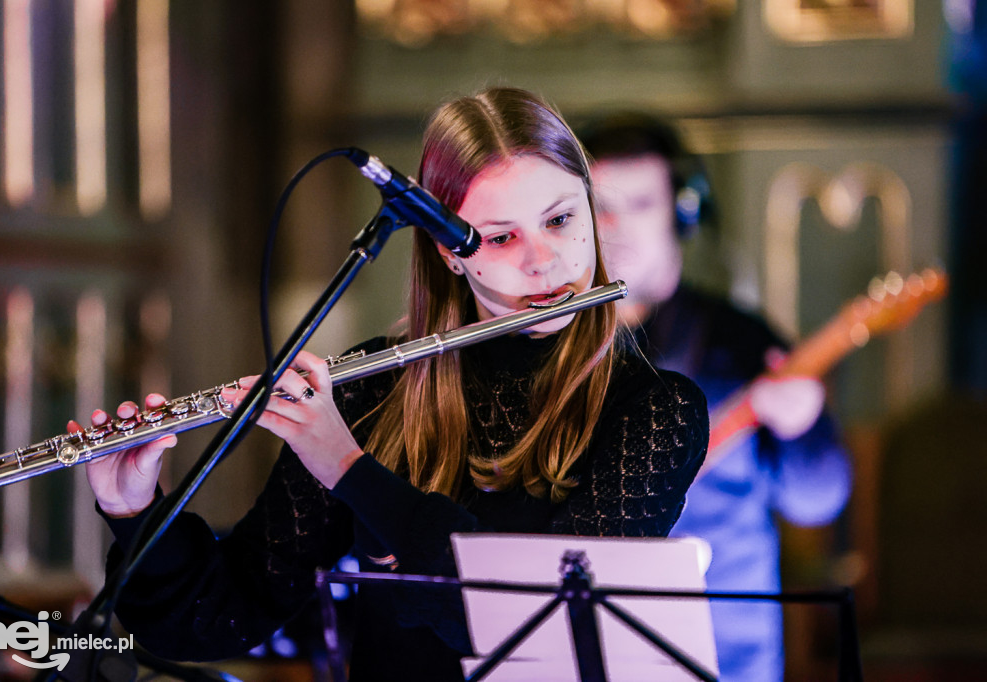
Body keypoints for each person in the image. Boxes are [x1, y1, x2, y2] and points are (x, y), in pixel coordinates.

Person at [70, 88, 710, 681]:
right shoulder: (372, 391)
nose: (542, 259)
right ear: (449, 251)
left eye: (562, 219)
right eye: (500, 236)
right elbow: (215, 619)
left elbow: (536, 633)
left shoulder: (655, 411)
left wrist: (345, 465)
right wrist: (135, 509)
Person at [580, 113, 852, 682]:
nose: (616, 226)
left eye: (641, 204)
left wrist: (802, 427)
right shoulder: (553, 346)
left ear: (683, 212)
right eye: (599, 206)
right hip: (585, 644)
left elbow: (817, 500)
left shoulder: (743, 340)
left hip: (727, 648)